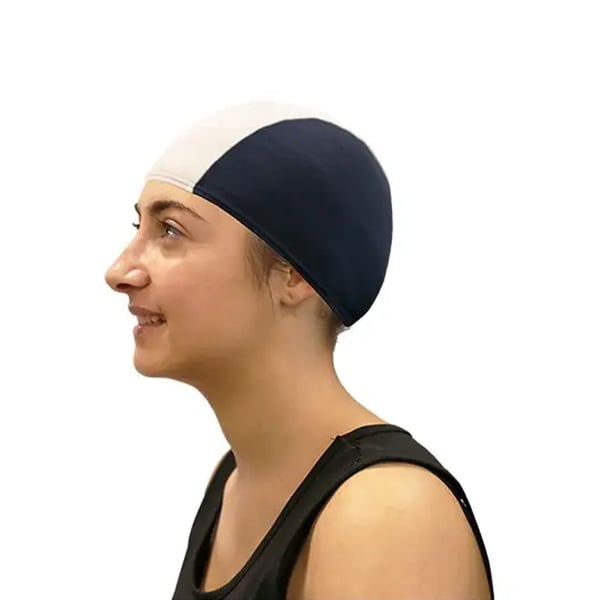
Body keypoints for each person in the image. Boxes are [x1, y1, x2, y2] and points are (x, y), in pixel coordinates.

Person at [105, 100, 494, 599]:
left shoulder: (385, 514)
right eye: (139, 228)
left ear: (294, 275)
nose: (120, 272)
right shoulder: (232, 481)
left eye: (170, 231)